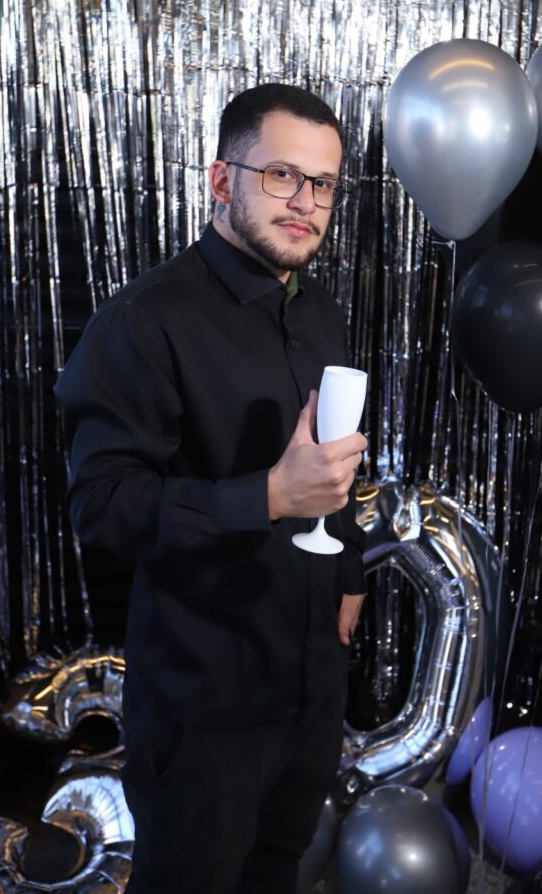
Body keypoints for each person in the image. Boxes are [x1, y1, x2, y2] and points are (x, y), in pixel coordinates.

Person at [54, 83, 367, 894]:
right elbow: (102, 506)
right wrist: (268, 496)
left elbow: (332, 463)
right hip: (205, 708)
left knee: (276, 874)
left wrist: (349, 572)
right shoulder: (143, 320)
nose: (305, 202)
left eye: (323, 183)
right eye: (282, 175)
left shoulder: (320, 311)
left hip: (310, 690)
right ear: (222, 180)